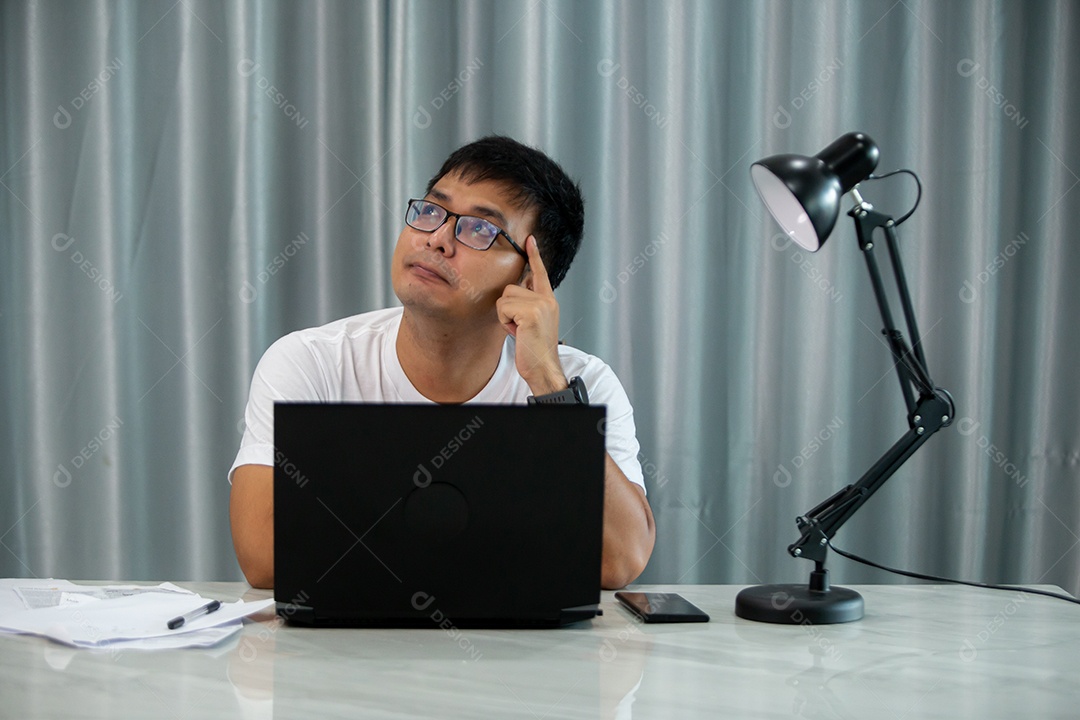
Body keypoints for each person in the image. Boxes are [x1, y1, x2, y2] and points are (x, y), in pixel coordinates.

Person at [229, 135, 655, 589]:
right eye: (432, 211)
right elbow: (263, 555)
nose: (436, 240)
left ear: (532, 279)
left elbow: (621, 561)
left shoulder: (583, 382)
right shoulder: (310, 362)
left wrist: (549, 385)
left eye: (480, 230)